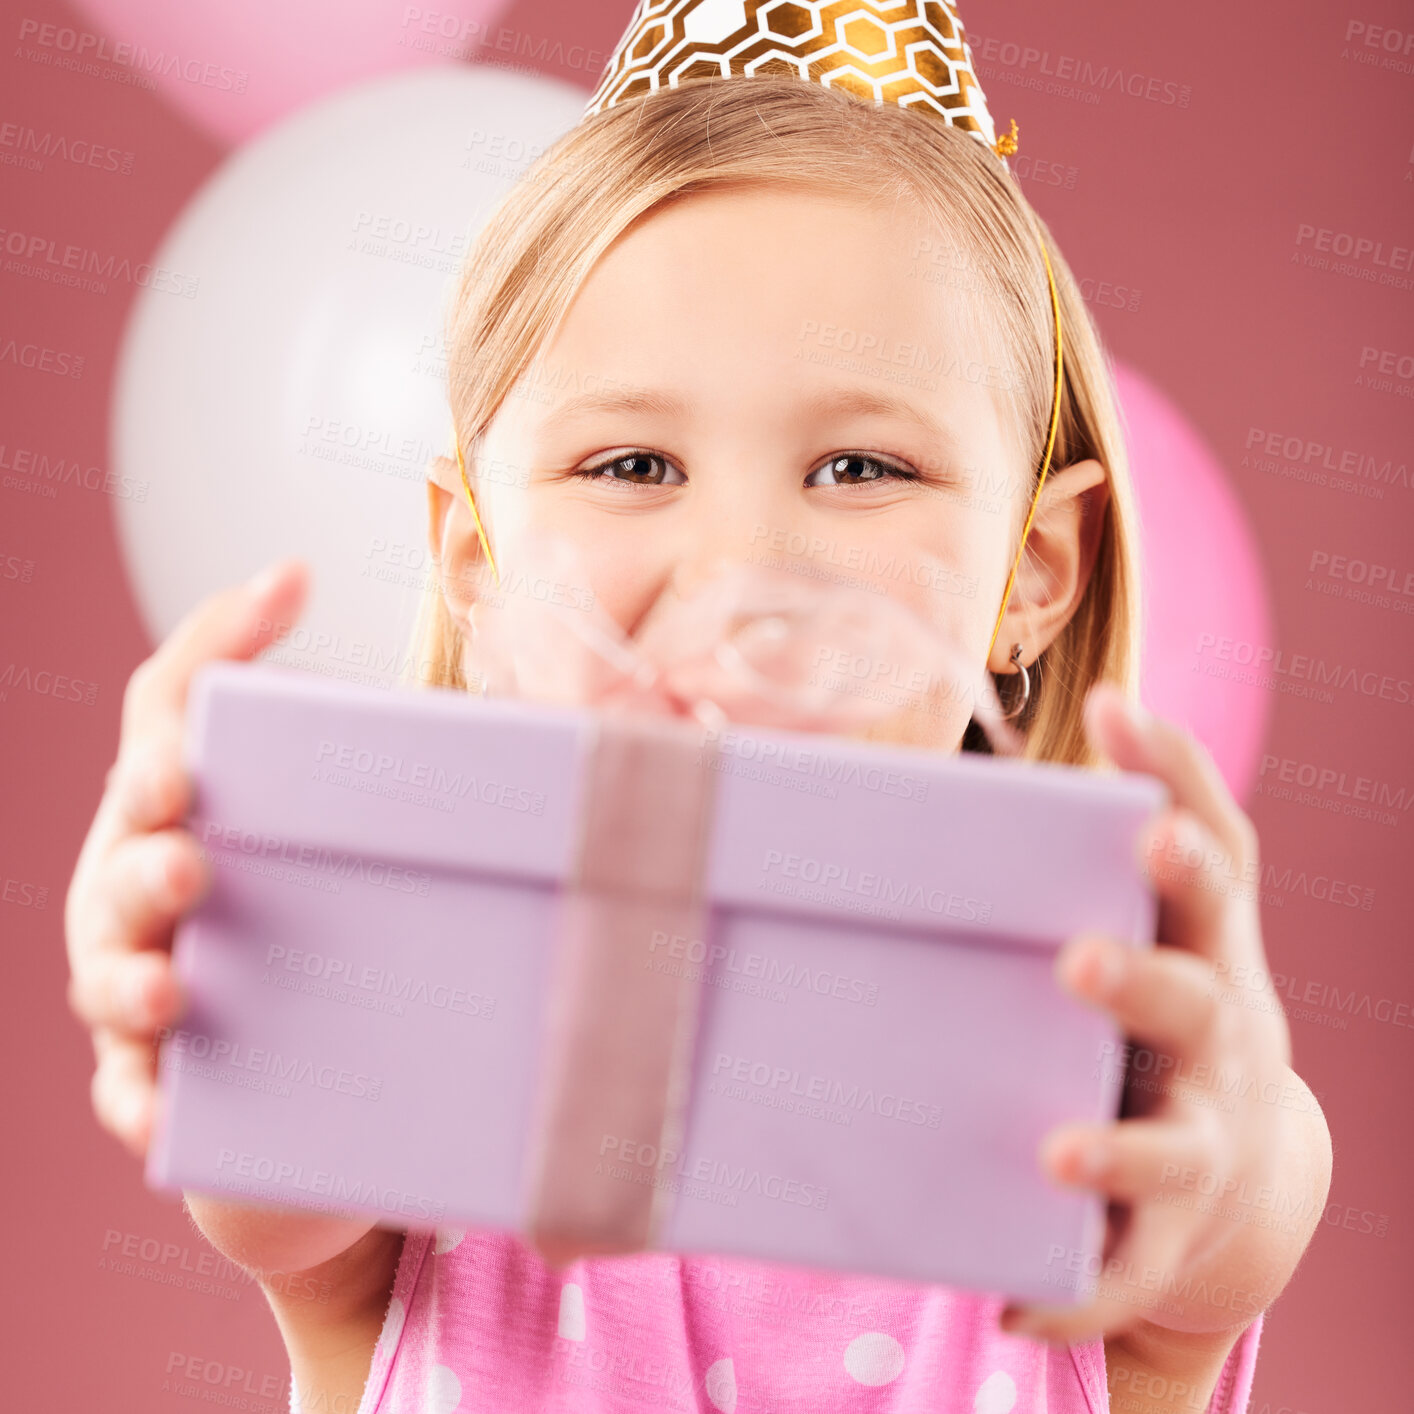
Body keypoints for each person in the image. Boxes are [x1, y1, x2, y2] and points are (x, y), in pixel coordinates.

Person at [63, 4, 1332, 1411]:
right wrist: (219, 981)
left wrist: (1216, 1118)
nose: (745, 568)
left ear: (1031, 576)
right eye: (631, 462)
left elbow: (1235, 1198)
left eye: (859, 468)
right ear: (475, 572)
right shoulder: (433, 1036)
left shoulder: (1084, 1094)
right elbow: (275, 1162)